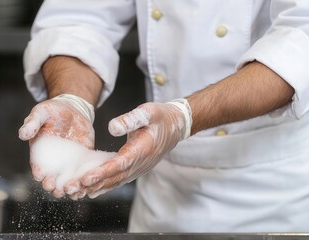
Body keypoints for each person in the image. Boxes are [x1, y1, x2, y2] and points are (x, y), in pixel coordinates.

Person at [18, 0, 309, 232]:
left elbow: (300, 41)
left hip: (271, 196)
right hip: (162, 197)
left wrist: (183, 117)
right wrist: (73, 99)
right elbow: (78, 18)